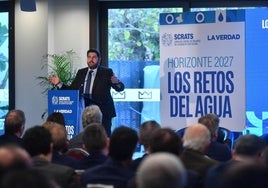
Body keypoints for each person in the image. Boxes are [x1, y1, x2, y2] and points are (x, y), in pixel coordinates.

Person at [49, 48, 125, 136]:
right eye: (89, 57)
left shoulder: (106, 72)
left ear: (99, 59)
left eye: (94, 57)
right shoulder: (81, 72)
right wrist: (59, 83)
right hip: (84, 112)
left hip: (103, 113)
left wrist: (117, 82)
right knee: (87, 137)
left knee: (104, 137)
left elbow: (120, 88)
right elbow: (72, 91)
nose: (91, 59)